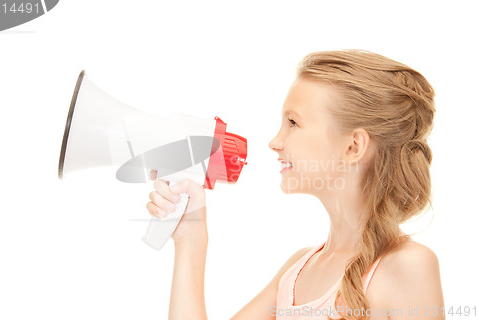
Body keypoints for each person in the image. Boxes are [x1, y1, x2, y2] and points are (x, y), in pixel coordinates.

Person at [146, 49, 445, 320]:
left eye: (292, 123)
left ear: (354, 146)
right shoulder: (296, 271)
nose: (274, 142)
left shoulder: (409, 267)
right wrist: (191, 240)